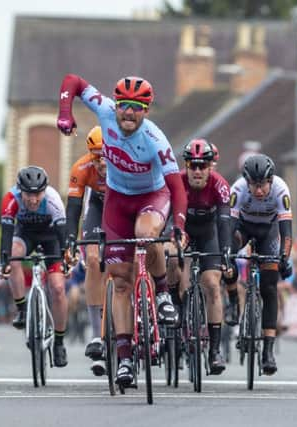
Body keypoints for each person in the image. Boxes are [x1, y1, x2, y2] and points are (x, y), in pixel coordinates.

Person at [56, 74, 187, 386]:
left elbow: (177, 188)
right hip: (117, 200)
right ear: (116, 106)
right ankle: (125, 358)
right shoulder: (104, 110)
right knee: (121, 282)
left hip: (152, 197)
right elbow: (72, 81)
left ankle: (162, 294)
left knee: (146, 233)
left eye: (137, 108)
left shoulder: (155, 140)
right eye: (125, 106)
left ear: (147, 111)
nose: (129, 113)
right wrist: (65, 114)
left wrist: (179, 225)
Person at [166, 138, 236, 375]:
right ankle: (175, 304)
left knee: (212, 285)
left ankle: (214, 350)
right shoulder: (176, 183)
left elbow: (225, 222)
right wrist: (172, 239)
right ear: (185, 165)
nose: (197, 171)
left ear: (210, 166)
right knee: (173, 257)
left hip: (209, 233)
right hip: (183, 229)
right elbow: (167, 217)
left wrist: (226, 252)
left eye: (202, 166)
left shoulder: (220, 186)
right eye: (192, 165)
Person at [0, 166, 69, 367]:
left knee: (58, 287)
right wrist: (4, 262)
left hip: (50, 237)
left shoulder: (54, 200)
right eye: (29, 194)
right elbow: (6, 235)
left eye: (38, 194)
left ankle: (59, 343)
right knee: (14, 255)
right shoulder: (10, 199)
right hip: (24, 234)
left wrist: (66, 260)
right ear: (21, 191)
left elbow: (63, 237)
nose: (33, 199)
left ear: (45, 190)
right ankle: (21, 308)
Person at [230, 154, 293, 375]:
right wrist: (227, 254)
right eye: (254, 185)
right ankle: (233, 305)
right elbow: (229, 226)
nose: (258, 191)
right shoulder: (237, 190)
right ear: (247, 182)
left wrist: (284, 258)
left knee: (269, 287)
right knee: (228, 257)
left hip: (269, 232)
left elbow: (286, 231)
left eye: (262, 185)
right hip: (243, 228)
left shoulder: (281, 189)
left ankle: (268, 351)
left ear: (271, 181)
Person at [65, 125, 108, 375]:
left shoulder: (126, 165)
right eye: (96, 156)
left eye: (106, 155)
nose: (101, 162)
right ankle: (96, 335)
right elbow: (74, 208)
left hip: (121, 206)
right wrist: (71, 238)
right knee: (92, 259)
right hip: (97, 207)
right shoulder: (81, 167)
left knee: (126, 263)